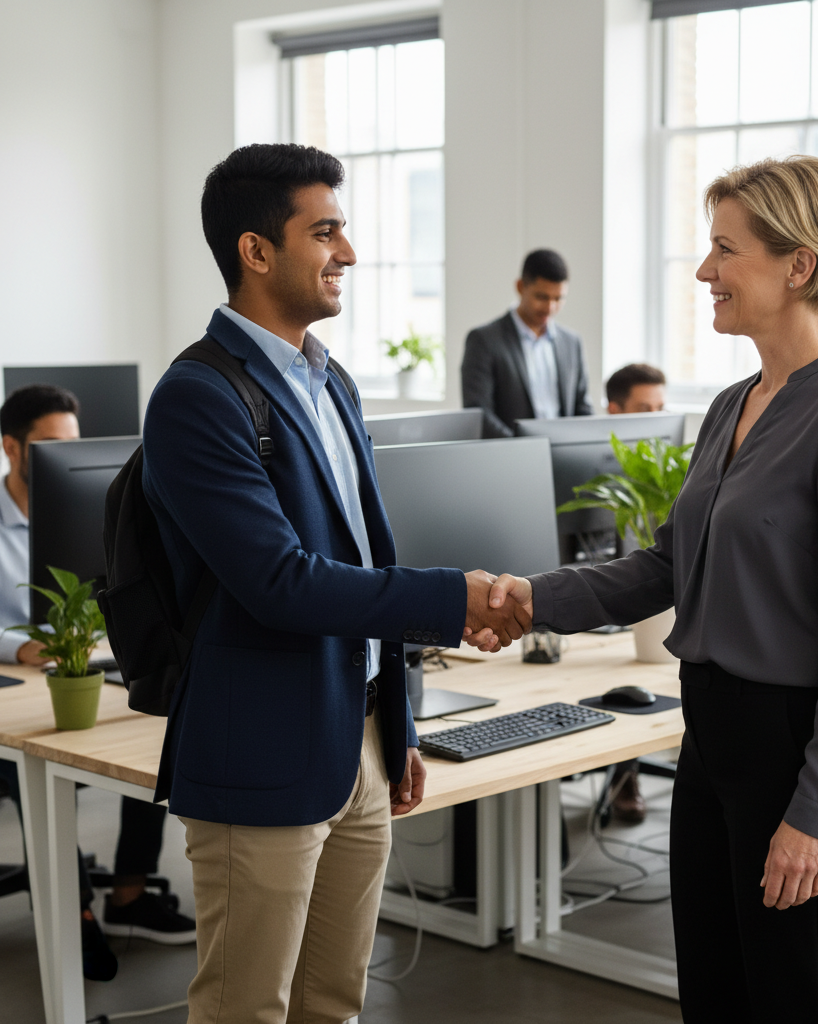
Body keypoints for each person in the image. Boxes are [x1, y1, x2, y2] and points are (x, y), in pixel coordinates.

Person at [470, 156, 818, 1023]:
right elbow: (667, 567)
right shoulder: (733, 405)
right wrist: (530, 599)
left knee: (790, 1004)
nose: (705, 271)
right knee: (713, 995)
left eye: (724, 250)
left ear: (800, 265)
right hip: (709, 733)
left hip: (792, 749)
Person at [143, 143, 525, 1023]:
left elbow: (365, 558)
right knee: (248, 1008)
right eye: (326, 231)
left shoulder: (330, 379)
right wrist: (453, 600)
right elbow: (281, 582)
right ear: (256, 250)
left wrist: (400, 723)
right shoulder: (198, 397)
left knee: (333, 1003)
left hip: (357, 738)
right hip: (263, 750)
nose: (348, 252)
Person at [0, 385, 195, 983]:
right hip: (16, 685)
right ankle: (74, 913)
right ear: (12, 449)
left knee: (163, 730)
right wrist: (21, 645)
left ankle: (129, 896)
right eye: (49, 446)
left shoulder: (87, 502)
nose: (64, 458)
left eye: (72, 446)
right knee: (32, 764)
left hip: (89, 662)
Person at [603, 362, 668, 824]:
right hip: (602, 598)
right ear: (613, 411)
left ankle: (626, 776)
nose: (655, 421)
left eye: (661, 410)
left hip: (642, 605)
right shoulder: (600, 478)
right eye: (644, 410)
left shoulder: (663, 477)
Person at [461, 248, 592, 437]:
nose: (550, 307)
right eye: (542, 297)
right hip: (511, 457)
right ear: (521, 286)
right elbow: (479, 413)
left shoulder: (572, 342)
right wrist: (524, 450)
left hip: (565, 458)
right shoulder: (484, 341)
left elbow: (582, 406)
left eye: (558, 298)